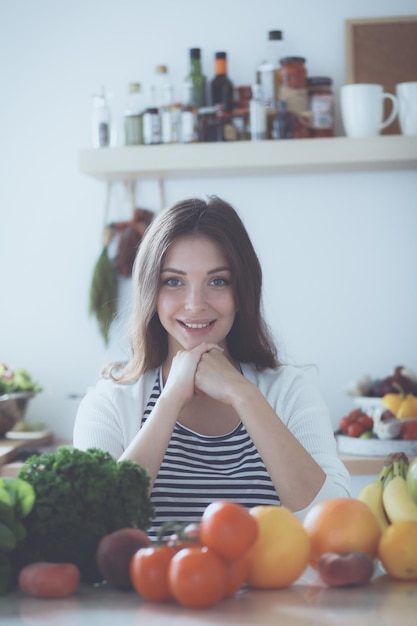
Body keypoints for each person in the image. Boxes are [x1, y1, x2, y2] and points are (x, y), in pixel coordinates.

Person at [74, 196, 350, 539]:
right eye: (173, 281)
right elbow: (95, 529)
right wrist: (170, 399)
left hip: (271, 594)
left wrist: (243, 394)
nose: (195, 304)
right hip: (149, 592)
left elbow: (336, 522)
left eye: (218, 281)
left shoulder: (291, 391)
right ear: (151, 293)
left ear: (243, 291)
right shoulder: (110, 402)